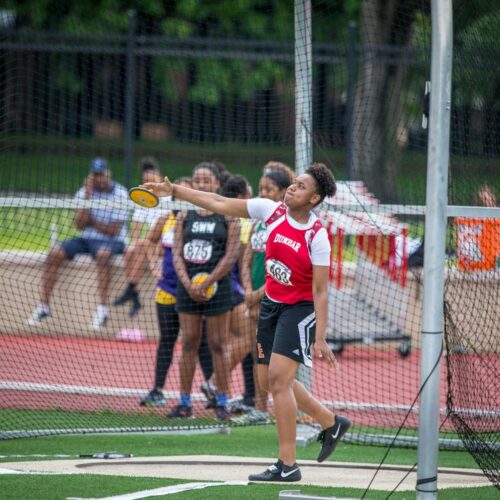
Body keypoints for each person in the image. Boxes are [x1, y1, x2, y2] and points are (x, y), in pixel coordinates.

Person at [140, 162, 351, 482]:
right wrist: (176, 192)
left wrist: (320, 336)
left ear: (314, 199)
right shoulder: (271, 211)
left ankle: (287, 464)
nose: (293, 187)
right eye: (294, 183)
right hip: (272, 306)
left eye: (301, 186)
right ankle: (330, 421)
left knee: (279, 382)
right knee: (268, 381)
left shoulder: (317, 236)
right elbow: (219, 202)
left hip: (300, 309)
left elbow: (320, 290)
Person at [168, 162, 241, 421]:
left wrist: (209, 280)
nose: (200, 184)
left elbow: (232, 254)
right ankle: (184, 402)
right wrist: (188, 283)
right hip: (188, 287)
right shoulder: (184, 215)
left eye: (206, 180)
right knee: (188, 342)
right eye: (197, 180)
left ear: (216, 184)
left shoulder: (228, 215)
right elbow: (176, 252)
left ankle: (222, 401)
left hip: (217, 288)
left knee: (219, 344)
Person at [28, 158, 129, 329]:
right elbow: (80, 224)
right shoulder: (84, 192)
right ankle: (44, 307)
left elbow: (114, 230)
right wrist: (88, 198)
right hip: (86, 239)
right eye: (95, 175)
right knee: (54, 253)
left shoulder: (121, 193)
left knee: (103, 255)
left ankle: (102, 311)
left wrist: (93, 222)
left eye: (102, 174)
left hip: (113, 241)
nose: (99, 178)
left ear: (108, 174)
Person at [139, 177, 214, 407]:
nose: (178, 199)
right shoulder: (166, 219)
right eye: (176, 195)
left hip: (192, 291)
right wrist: (154, 265)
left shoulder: (196, 221)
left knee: (199, 341)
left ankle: (212, 388)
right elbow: (148, 242)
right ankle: (157, 390)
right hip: (167, 290)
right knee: (167, 340)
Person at [113, 156, 166, 317]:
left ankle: (131, 290)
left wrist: (142, 242)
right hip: (153, 243)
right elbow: (136, 227)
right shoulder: (144, 198)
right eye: (147, 182)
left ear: (160, 178)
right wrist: (134, 243)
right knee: (130, 250)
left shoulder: (170, 197)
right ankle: (133, 294)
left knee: (143, 246)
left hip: (168, 242)